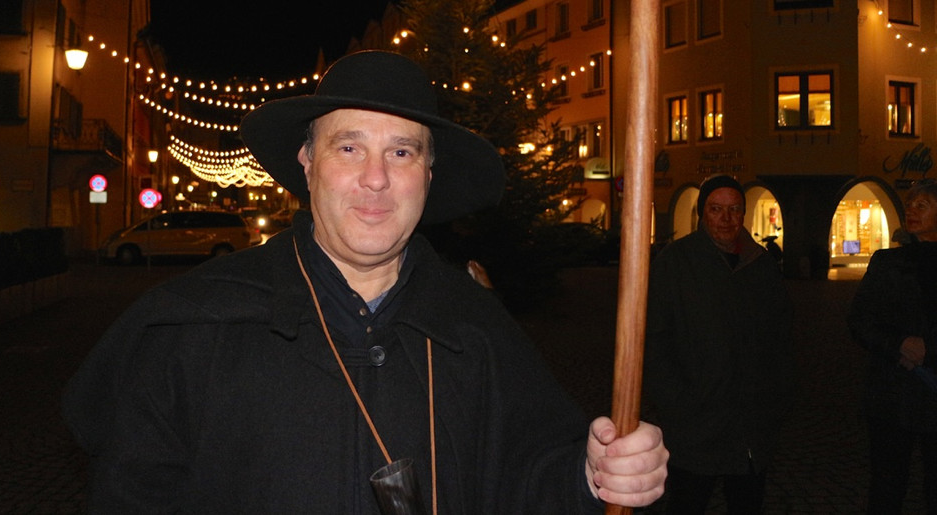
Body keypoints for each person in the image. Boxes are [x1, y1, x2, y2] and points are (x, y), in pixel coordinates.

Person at [62, 50, 668, 513]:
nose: (376, 179)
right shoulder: (191, 328)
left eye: (402, 153)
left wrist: (594, 474)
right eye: (349, 148)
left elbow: (527, 480)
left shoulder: (477, 328)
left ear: (429, 174)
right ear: (307, 163)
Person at [644, 174, 795, 514]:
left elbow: (782, 338)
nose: (726, 218)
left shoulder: (761, 264)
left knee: (746, 503)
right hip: (696, 423)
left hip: (751, 425)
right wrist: (677, 402)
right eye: (716, 209)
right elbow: (655, 339)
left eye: (734, 209)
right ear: (703, 213)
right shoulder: (676, 262)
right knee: (688, 503)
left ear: (743, 213)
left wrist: (777, 396)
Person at [848, 178, 937, 514]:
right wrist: (899, 344)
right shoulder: (887, 262)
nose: (911, 210)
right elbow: (860, 320)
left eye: (922, 205)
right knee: (887, 484)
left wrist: (928, 349)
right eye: (910, 204)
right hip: (892, 394)